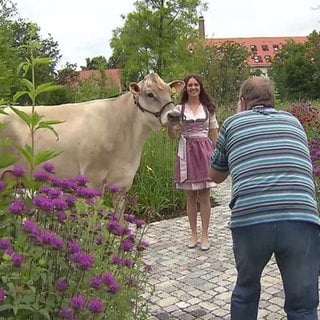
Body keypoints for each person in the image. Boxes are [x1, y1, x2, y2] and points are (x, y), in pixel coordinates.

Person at [208, 76, 320, 320]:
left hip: (251, 219)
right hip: (301, 217)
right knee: (303, 304)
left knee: (246, 291)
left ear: (242, 102)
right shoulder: (294, 122)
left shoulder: (232, 123)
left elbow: (214, 176)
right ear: (273, 100)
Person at [168, 73, 219, 251]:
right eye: (190, 85)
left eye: (196, 85)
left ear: (200, 87)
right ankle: (193, 234)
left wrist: (217, 154)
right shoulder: (179, 109)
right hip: (187, 150)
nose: (193, 88)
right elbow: (172, 135)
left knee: (205, 195)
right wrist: (170, 124)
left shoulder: (208, 108)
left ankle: (205, 235)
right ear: (186, 88)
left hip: (204, 151)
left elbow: (214, 133)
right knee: (190, 196)